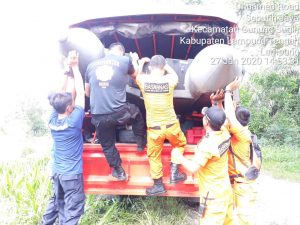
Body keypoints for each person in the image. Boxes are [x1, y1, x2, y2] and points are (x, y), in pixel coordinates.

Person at [85, 42, 146, 181]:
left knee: (107, 144)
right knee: (136, 113)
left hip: (98, 116)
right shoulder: (124, 60)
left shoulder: (90, 66)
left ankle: (119, 172)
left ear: (109, 51)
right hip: (119, 113)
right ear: (121, 52)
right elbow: (136, 75)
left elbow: (87, 93)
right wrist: (136, 60)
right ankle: (140, 142)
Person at [41, 51, 86, 225]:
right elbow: (81, 93)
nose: (73, 103)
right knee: (72, 211)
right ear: (68, 108)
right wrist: (75, 67)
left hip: (58, 173)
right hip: (71, 176)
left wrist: (67, 70)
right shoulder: (74, 122)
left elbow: (58, 96)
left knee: (55, 205)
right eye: (71, 103)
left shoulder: (52, 120)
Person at [172, 104, 233, 225]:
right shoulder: (225, 134)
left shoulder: (207, 145)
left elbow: (193, 168)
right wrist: (217, 102)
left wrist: (178, 156)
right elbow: (226, 120)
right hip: (225, 190)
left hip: (213, 196)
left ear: (205, 122)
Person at [136, 55, 187, 196]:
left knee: (154, 155)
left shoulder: (143, 80)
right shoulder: (169, 80)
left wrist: (141, 63)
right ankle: (174, 172)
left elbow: (137, 75)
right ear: (163, 67)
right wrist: (165, 66)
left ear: (151, 67)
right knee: (180, 144)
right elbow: (175, 74)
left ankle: (158, 185)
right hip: (172, 126)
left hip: (154, 129)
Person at [224, 78, 258, 225]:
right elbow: (226, 118)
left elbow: (230, 118)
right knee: (228, 214)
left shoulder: (241, 135)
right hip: (236, 182)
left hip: (243, 184)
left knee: (244, 219)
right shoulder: (243, 132)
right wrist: (219, 102)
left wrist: (228, 91)